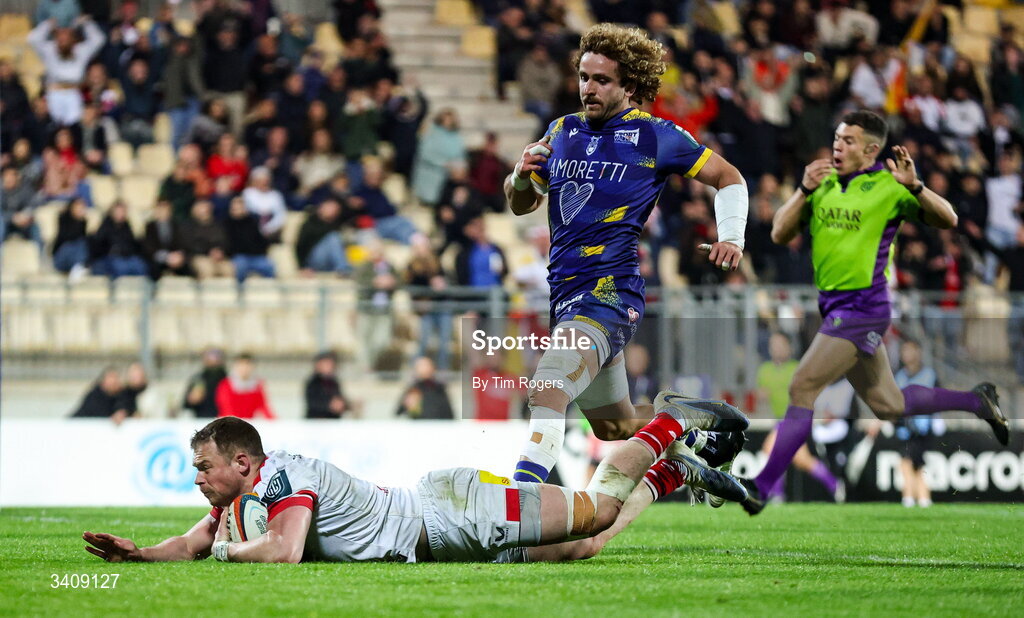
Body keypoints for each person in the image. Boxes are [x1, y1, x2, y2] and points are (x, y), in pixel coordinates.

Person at [504, 23, 748, 485]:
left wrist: (731, 237)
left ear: (629, 86)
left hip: (609, 294)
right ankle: (684, 426)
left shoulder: (657, 136)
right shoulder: (561, 129)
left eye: (601, 80)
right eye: (582, 77)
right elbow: (521, 203)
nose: (587, 88)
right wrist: (519, 176)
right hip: (566, 297)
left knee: (549, 388)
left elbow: (728, 176)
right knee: (612, 426)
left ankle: (520, 513)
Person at [83, 398, 749, 563]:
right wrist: (138, 556)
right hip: (443, 533)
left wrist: (227, 552)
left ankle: (667, 420)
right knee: (588, 545)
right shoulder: (248, 497)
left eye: (204, 466)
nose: (195, 478)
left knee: (598, 513)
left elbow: (281, 554)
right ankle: (666, 472)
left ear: (243, 464)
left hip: (452, 513)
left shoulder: (284, 477)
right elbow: (194, 540)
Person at [739, 110, 1009, 515]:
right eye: (837, 137)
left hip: (864, 307)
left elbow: (948, 218)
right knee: (889, 404)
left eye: (848, 140)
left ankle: (761, 485)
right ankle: (977, 401)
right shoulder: (823, 184)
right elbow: (779, 232)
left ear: (870, 149)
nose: (838, 145)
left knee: (802, 387)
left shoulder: (889, 186)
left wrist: (915, 186)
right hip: (833, 307)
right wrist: (802, 190)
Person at [756, 333, 840, 501]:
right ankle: (835, 485)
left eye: (781, 344)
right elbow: (761, 394)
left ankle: (777, 495)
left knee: (770, 449)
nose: (777, 348)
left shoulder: (798, 367)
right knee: (802, 460)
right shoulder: (764, 370)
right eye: (774, 345)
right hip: (780, 419)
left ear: (789, 347)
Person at [893, 340, 942, 508]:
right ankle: (921, 498)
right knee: (911, 463)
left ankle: (911, 498)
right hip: (904, 428)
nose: (907, 355)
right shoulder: (899, 376)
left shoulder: (929, 375)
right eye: (904, 351)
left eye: (910, 351)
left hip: (922, 428)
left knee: (911, 463)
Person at [215, 353, 275, 419]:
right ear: (235, 366)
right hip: (230, 423)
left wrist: (274, 421)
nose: (244, 368)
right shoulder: (225, 385)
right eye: (241, 365)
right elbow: (226, 408)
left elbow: (263, 407)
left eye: (247, 365)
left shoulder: (257, 385)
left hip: (248, 423)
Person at [304, 351, 358, 419]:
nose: (328, 367)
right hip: (317, 421)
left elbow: (340, 399)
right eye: (325, 364)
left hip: (333, 421)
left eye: (330, 364)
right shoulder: (313, 382)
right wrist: (330, 405)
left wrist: (348, 405)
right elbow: (312, 403)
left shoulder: (334, 382)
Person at [184, 347, 228, 418]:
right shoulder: (197, 379)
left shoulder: (228, 380)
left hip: (223, 420)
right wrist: (192, 400)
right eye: (210, 358)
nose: (213, 361)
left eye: (216, 358)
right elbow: (186, 405)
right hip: (202, 419)